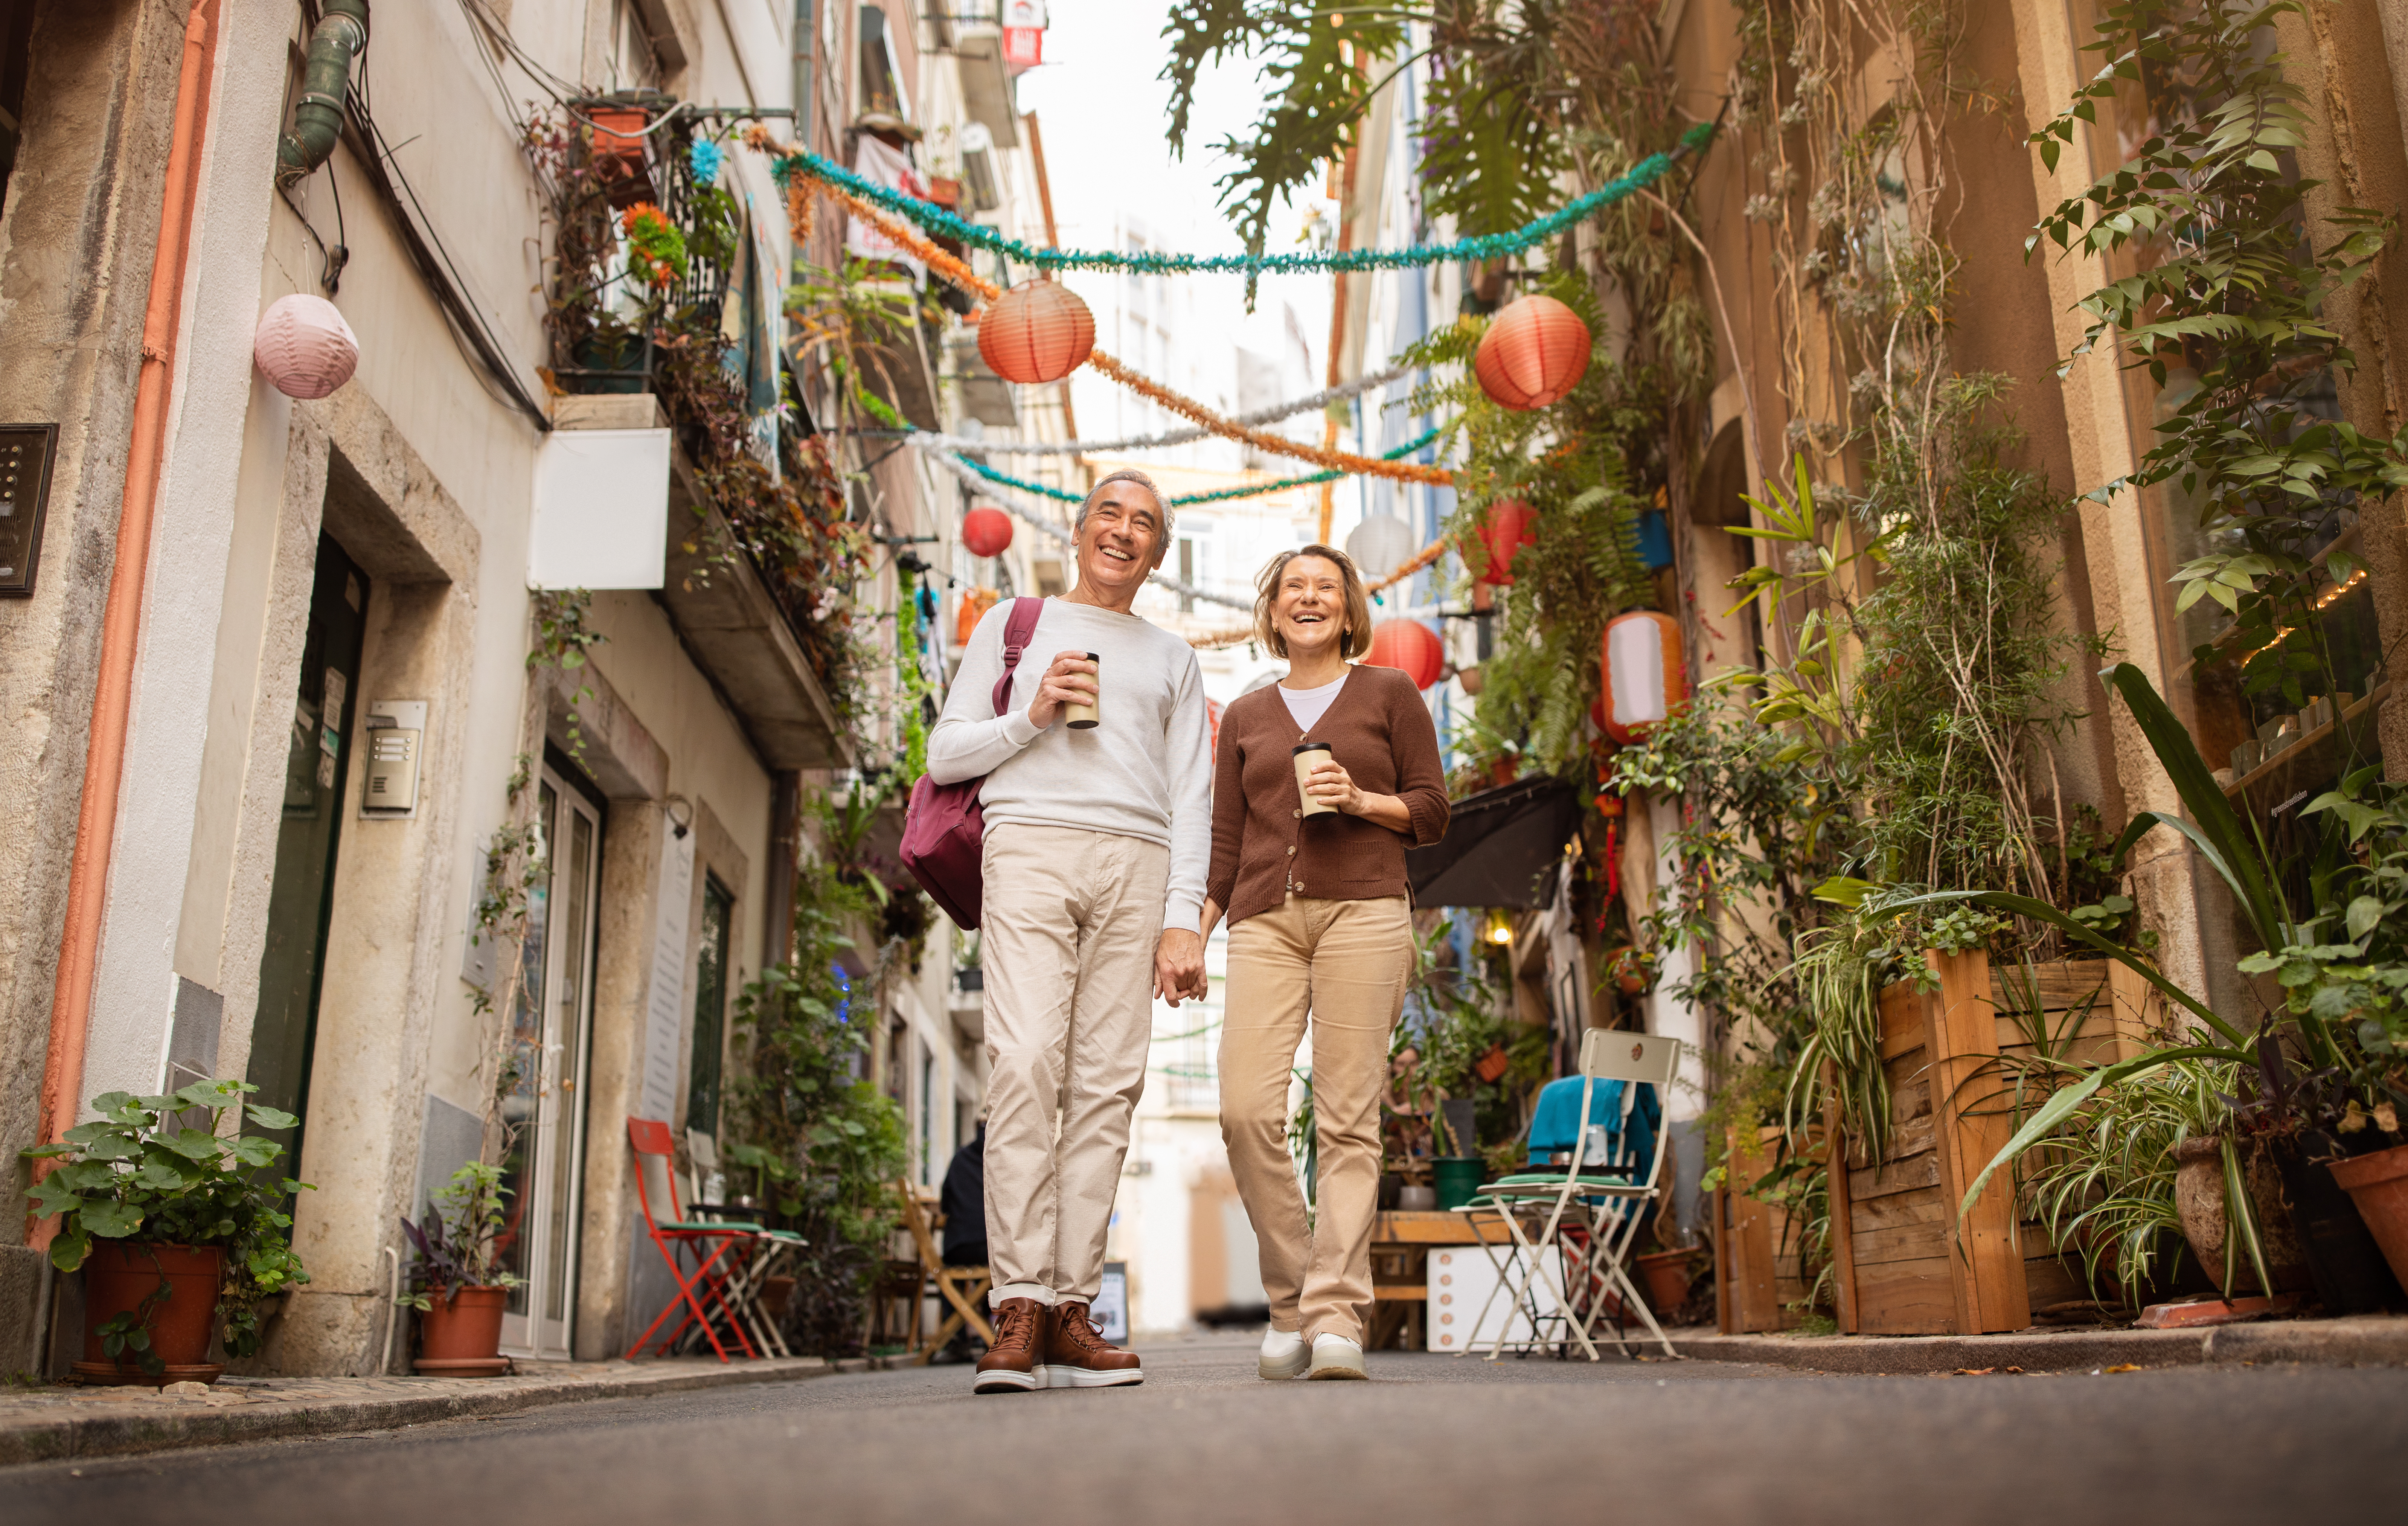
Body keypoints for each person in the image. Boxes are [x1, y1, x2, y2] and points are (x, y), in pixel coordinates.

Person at [926, 469, 1211, 1394]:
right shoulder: (1015, 622)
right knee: (1023, 1062)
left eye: (1144, 525)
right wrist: (1032, 712)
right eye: (1109, 516)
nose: (1124, 533)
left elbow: (1194, 797)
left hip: (1137, 860)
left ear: (1158, 554)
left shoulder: (1173, 655)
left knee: (1106, 1085)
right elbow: (946, 751)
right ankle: (1016, 1302)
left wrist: (1183, 922)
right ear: (1080, 529)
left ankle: (1070, 1310)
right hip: (1030, 847)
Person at [1203, 546, 1448, 1380]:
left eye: (1326, 589)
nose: (1309, 599)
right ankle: (1291, 1296)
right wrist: (1191, 933)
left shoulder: (1390, 692)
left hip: (1367, 907)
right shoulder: (1243, 714)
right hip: (1265, 916)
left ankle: (1335, 1313)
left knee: (1349, 1119)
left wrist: (1361, 800)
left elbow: (1432, 809)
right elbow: (1227, 841)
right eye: (1293, 589)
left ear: (1348, 613)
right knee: (1243, 1107)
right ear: (1272, 612)